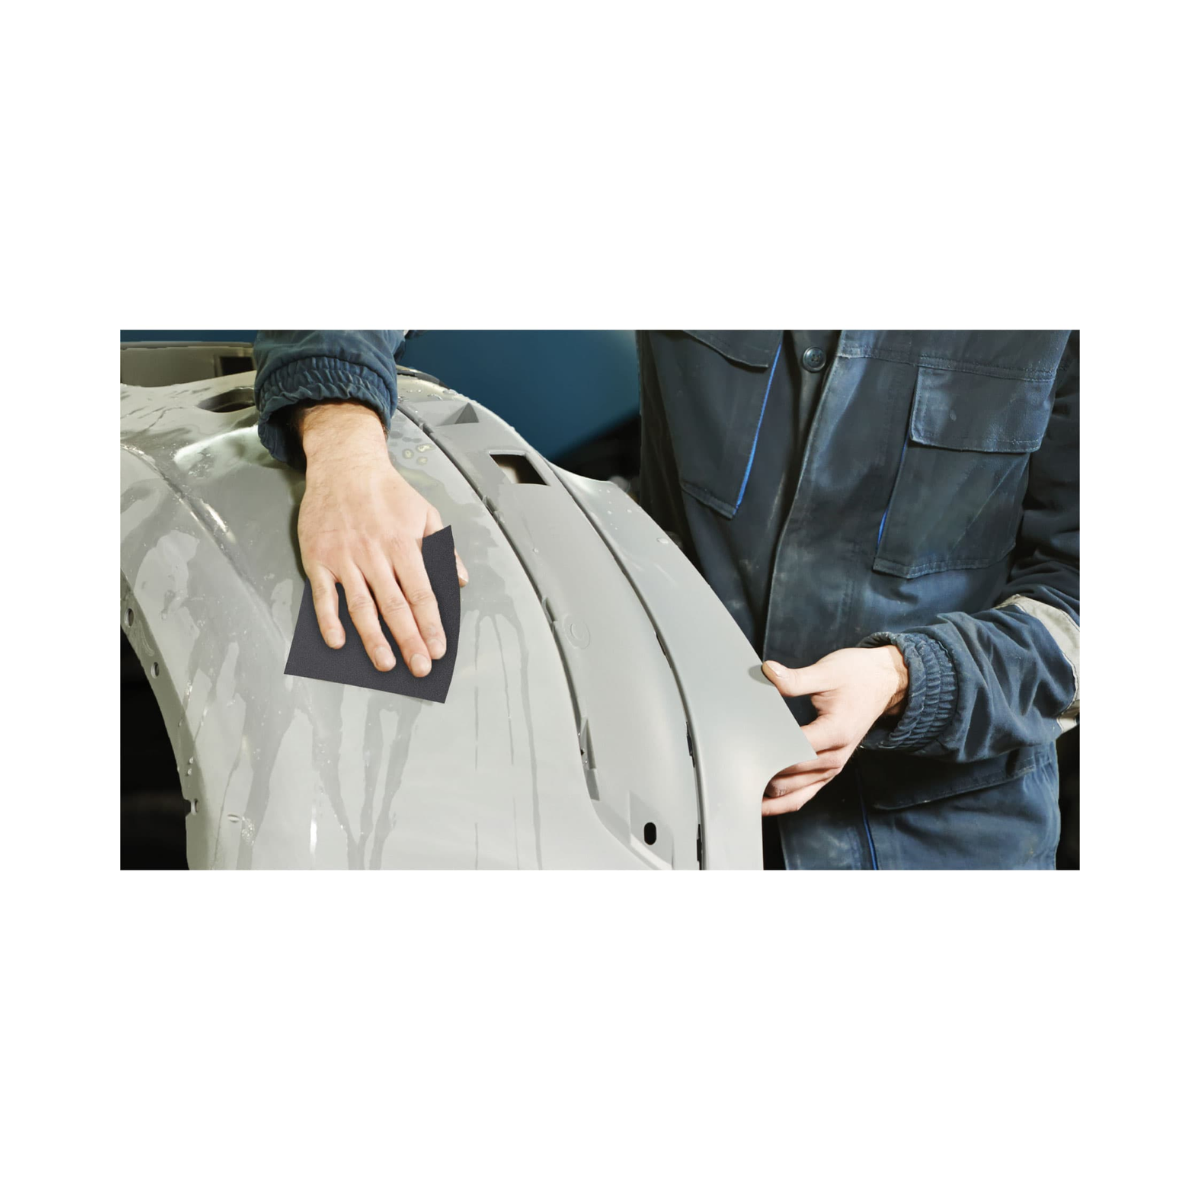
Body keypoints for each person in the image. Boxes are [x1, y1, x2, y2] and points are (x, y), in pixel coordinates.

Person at [253, 330, 1079, 870]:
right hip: (667, 804)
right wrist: (342, 443)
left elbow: (1078, 605)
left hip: (942, 843)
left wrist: (906, 680)